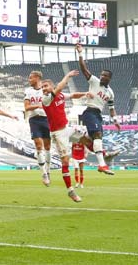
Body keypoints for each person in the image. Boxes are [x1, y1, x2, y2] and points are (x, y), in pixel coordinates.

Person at [41, 70, 88, 202]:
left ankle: (103, 157)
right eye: (42, 87)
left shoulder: (60, 95)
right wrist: (67, 75)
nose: (43, 89)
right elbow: (60, 87)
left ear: (51, 86)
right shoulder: (45, 99)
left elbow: (73, 95)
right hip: (58, 134)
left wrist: (86, 94)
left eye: (45, 86)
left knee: (85, 137)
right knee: (65, 161)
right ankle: (70, 191)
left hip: (67, 129)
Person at [77, 43, 120, 175]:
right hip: (90, 112)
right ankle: (102, 164)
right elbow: (84, 69)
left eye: (104, 75)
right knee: (98, 135)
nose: (102, 76)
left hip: (98, 115)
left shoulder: (110, 93)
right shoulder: (94, 81)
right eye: (101, 74)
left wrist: (115, 120)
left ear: (109, 78)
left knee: (91, 140)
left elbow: (111, 107)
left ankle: (103, 157)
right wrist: (80, 53)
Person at [24, 70, 52, 186]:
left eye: (31, 78)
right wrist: (38, 105)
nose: (29, 80)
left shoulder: (45, 89)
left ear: (37, 78)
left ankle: (48, 170)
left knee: (48, 147)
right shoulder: (28, 91)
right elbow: (26, 107)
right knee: (38, 146)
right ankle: (44, 173)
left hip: (46, 119)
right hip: (34, 119)